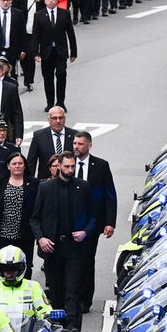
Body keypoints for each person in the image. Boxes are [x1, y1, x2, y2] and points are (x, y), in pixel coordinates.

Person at [29, 151, 91, 332]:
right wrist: (41, 239)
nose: (70, 170)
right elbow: (34, 219)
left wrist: (85, 232)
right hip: (53, 248)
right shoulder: (46, 187)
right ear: (58, 167)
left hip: (74, 247)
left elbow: (93, 216)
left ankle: (73, 327)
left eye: (73, 166)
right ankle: (60, 324)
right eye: (66, 166)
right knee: (55, 289)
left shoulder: (83, 187)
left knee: (72, 288)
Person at [71, 130, 115, 314]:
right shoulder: (68, 163)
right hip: (70, 221)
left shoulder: (101, 166)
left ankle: (85, 299)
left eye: (80, 144)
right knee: (70, 260)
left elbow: (109, 195)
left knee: (87, 260)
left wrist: (110, 222)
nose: (76, 147)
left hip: (92, 223)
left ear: (89, 145)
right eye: (74, 143)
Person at [29, 0, 77, 113]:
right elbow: (36, 35)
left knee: (61, 74)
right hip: (46, 51)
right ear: (44, 1)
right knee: (48, 78)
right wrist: (35, 53)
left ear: (57, 1)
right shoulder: (39, 15)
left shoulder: (64, 14)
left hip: (60, 51)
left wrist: (73, 52)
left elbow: (70, 34)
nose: (50, 1)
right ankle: (50, 102)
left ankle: (60, 102)